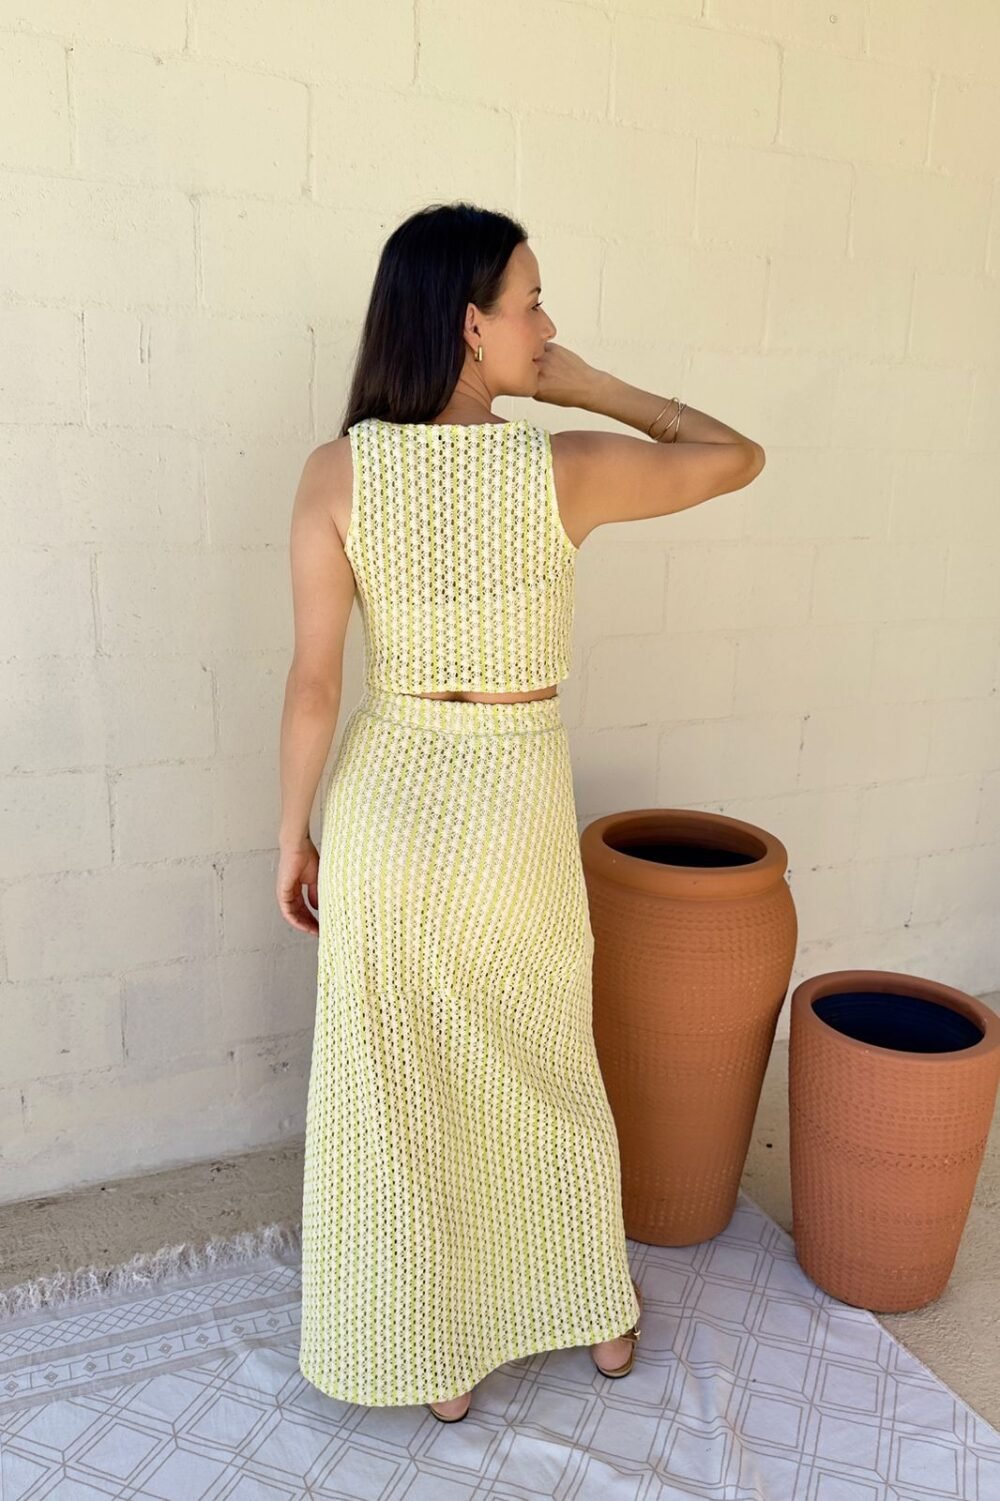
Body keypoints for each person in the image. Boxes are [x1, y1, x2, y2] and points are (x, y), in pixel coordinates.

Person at [277, 201, 766, 1423]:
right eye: (533, 301)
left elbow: (314, 683)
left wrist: (291, 836)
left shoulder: (336, 472)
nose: (547, 326)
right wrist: (593, 387)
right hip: (509, 802)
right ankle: (596, 1313)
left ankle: (437, 1357)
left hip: (386, 799)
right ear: (470, 324)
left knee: (408, 1083)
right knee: (544, 1057)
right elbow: (732, 454)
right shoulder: (559, 468)